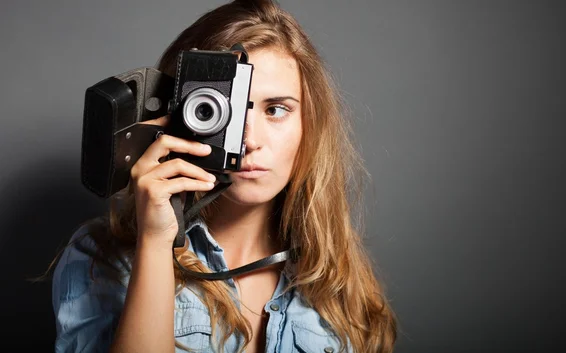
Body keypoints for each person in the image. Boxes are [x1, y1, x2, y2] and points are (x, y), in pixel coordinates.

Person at [50, 0, 398, 352]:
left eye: (276, 110)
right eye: (225, 110)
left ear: (309, 123)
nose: (249, 140)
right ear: (178, 110)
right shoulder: (100, 261)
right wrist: (155, 242)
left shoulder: (336, 277)